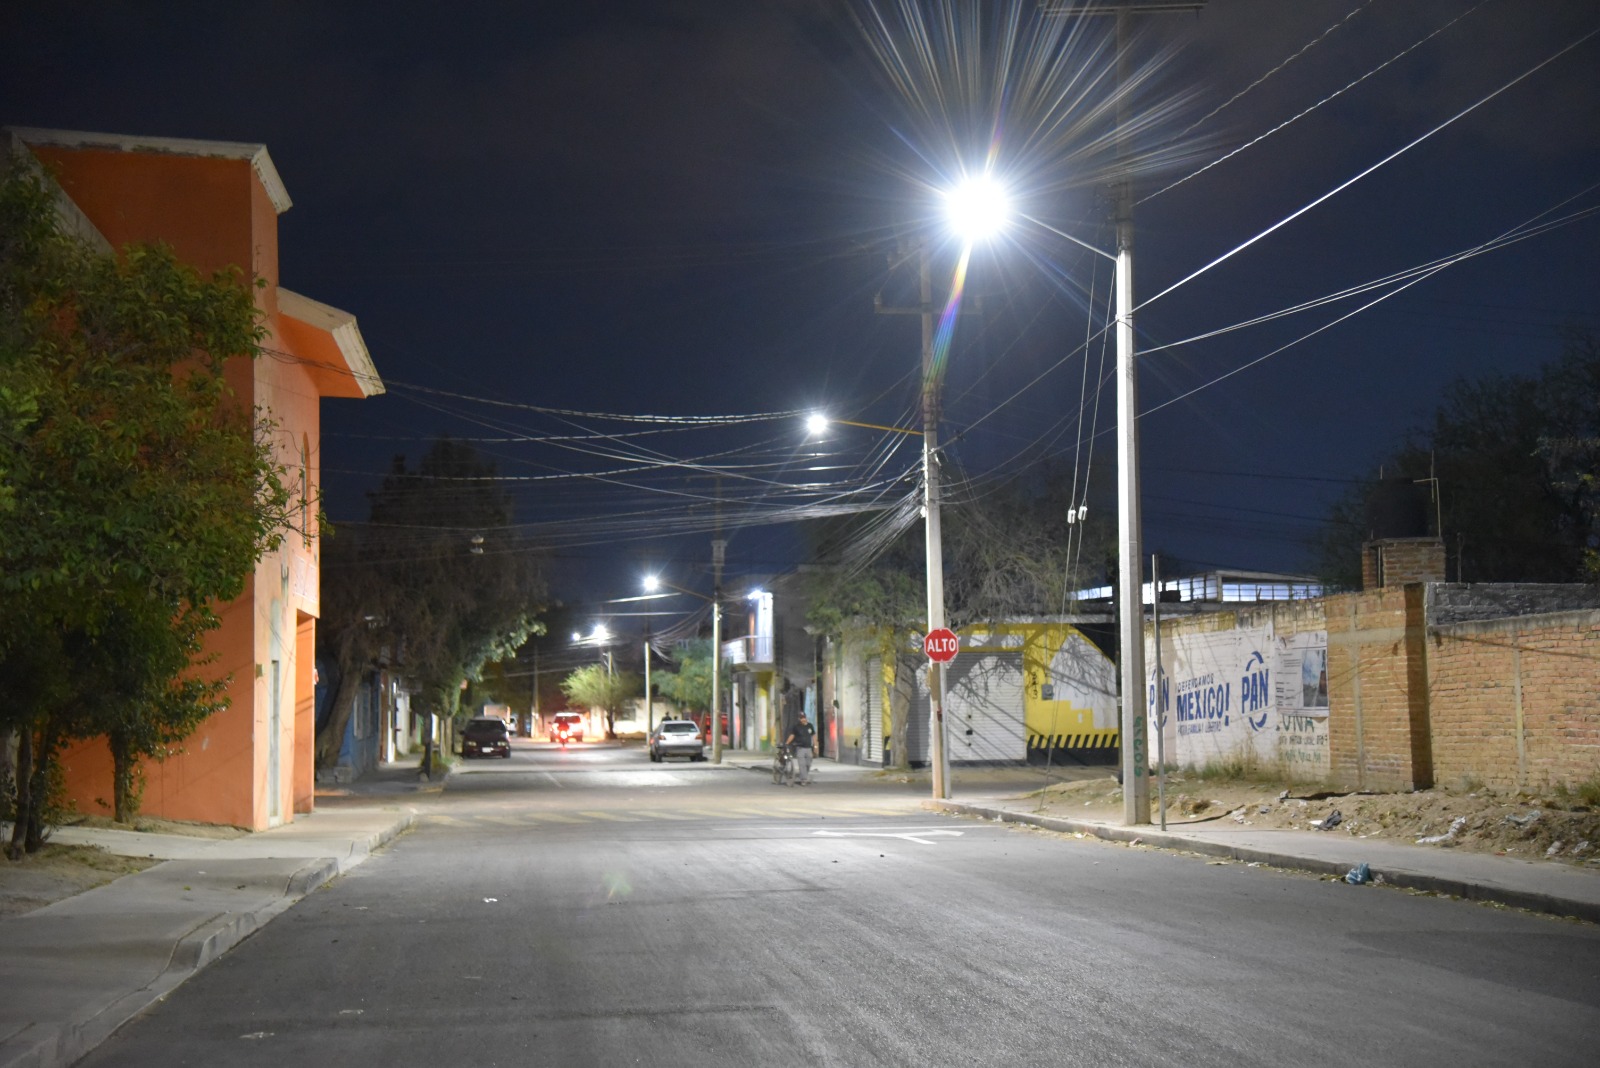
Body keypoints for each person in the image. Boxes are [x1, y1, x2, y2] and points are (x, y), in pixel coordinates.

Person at [785, 715, 815, 786]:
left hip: (808, 748)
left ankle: (804, 775)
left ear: (806, 718)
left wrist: (816, 746)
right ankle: (803, 779)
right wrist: (787, 742)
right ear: (799, 719)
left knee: (808, 763)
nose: (803, 719)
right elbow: (792, 735)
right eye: (801, 718)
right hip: (800, 748)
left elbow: (813, 735)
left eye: (804, 718)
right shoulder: (796, 727)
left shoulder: (810, 726)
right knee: (802, 764)